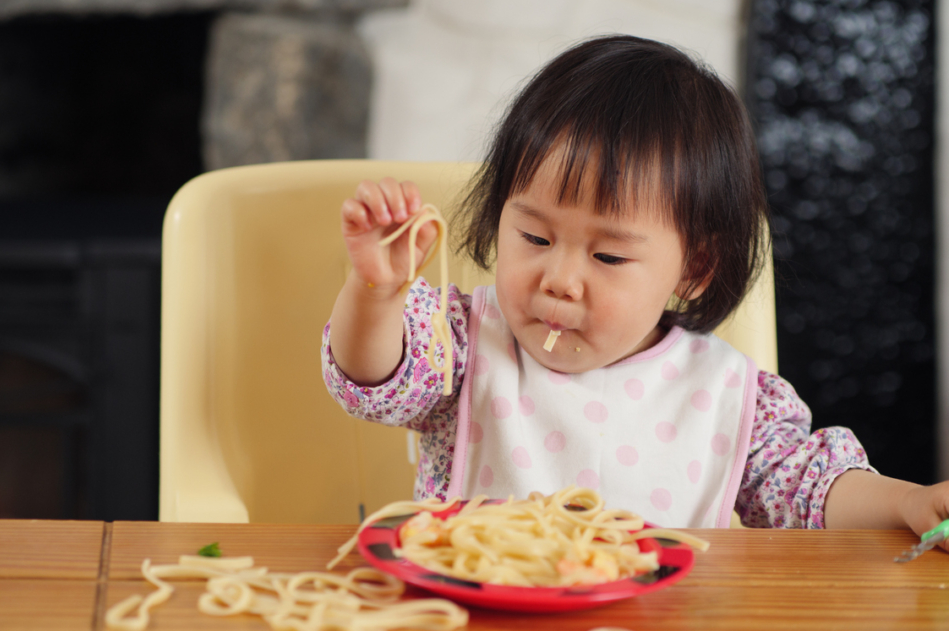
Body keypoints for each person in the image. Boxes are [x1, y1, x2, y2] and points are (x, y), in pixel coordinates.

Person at [322, 35, 949, 538]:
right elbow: (375, 383)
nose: (561, 280)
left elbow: (807, 490)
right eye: (535, 239)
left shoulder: (729, 396)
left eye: (610, 255)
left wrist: (909, 502)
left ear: (694, 268)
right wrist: (377, 294)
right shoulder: (458, 342)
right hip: (476, 630)